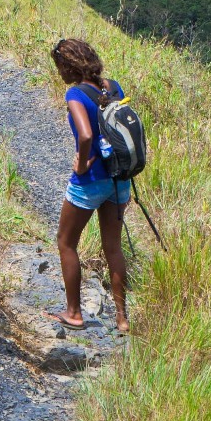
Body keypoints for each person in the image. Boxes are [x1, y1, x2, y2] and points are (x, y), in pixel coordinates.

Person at [45, 37, 131, 335]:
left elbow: (84, 135)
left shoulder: (75, 94)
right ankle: (121, 319)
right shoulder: (114, 86)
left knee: (66, 242)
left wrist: (81, 163)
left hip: (91, 180)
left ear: (67, 66)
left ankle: (74, 313)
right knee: (113, 247)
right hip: (119, 177)